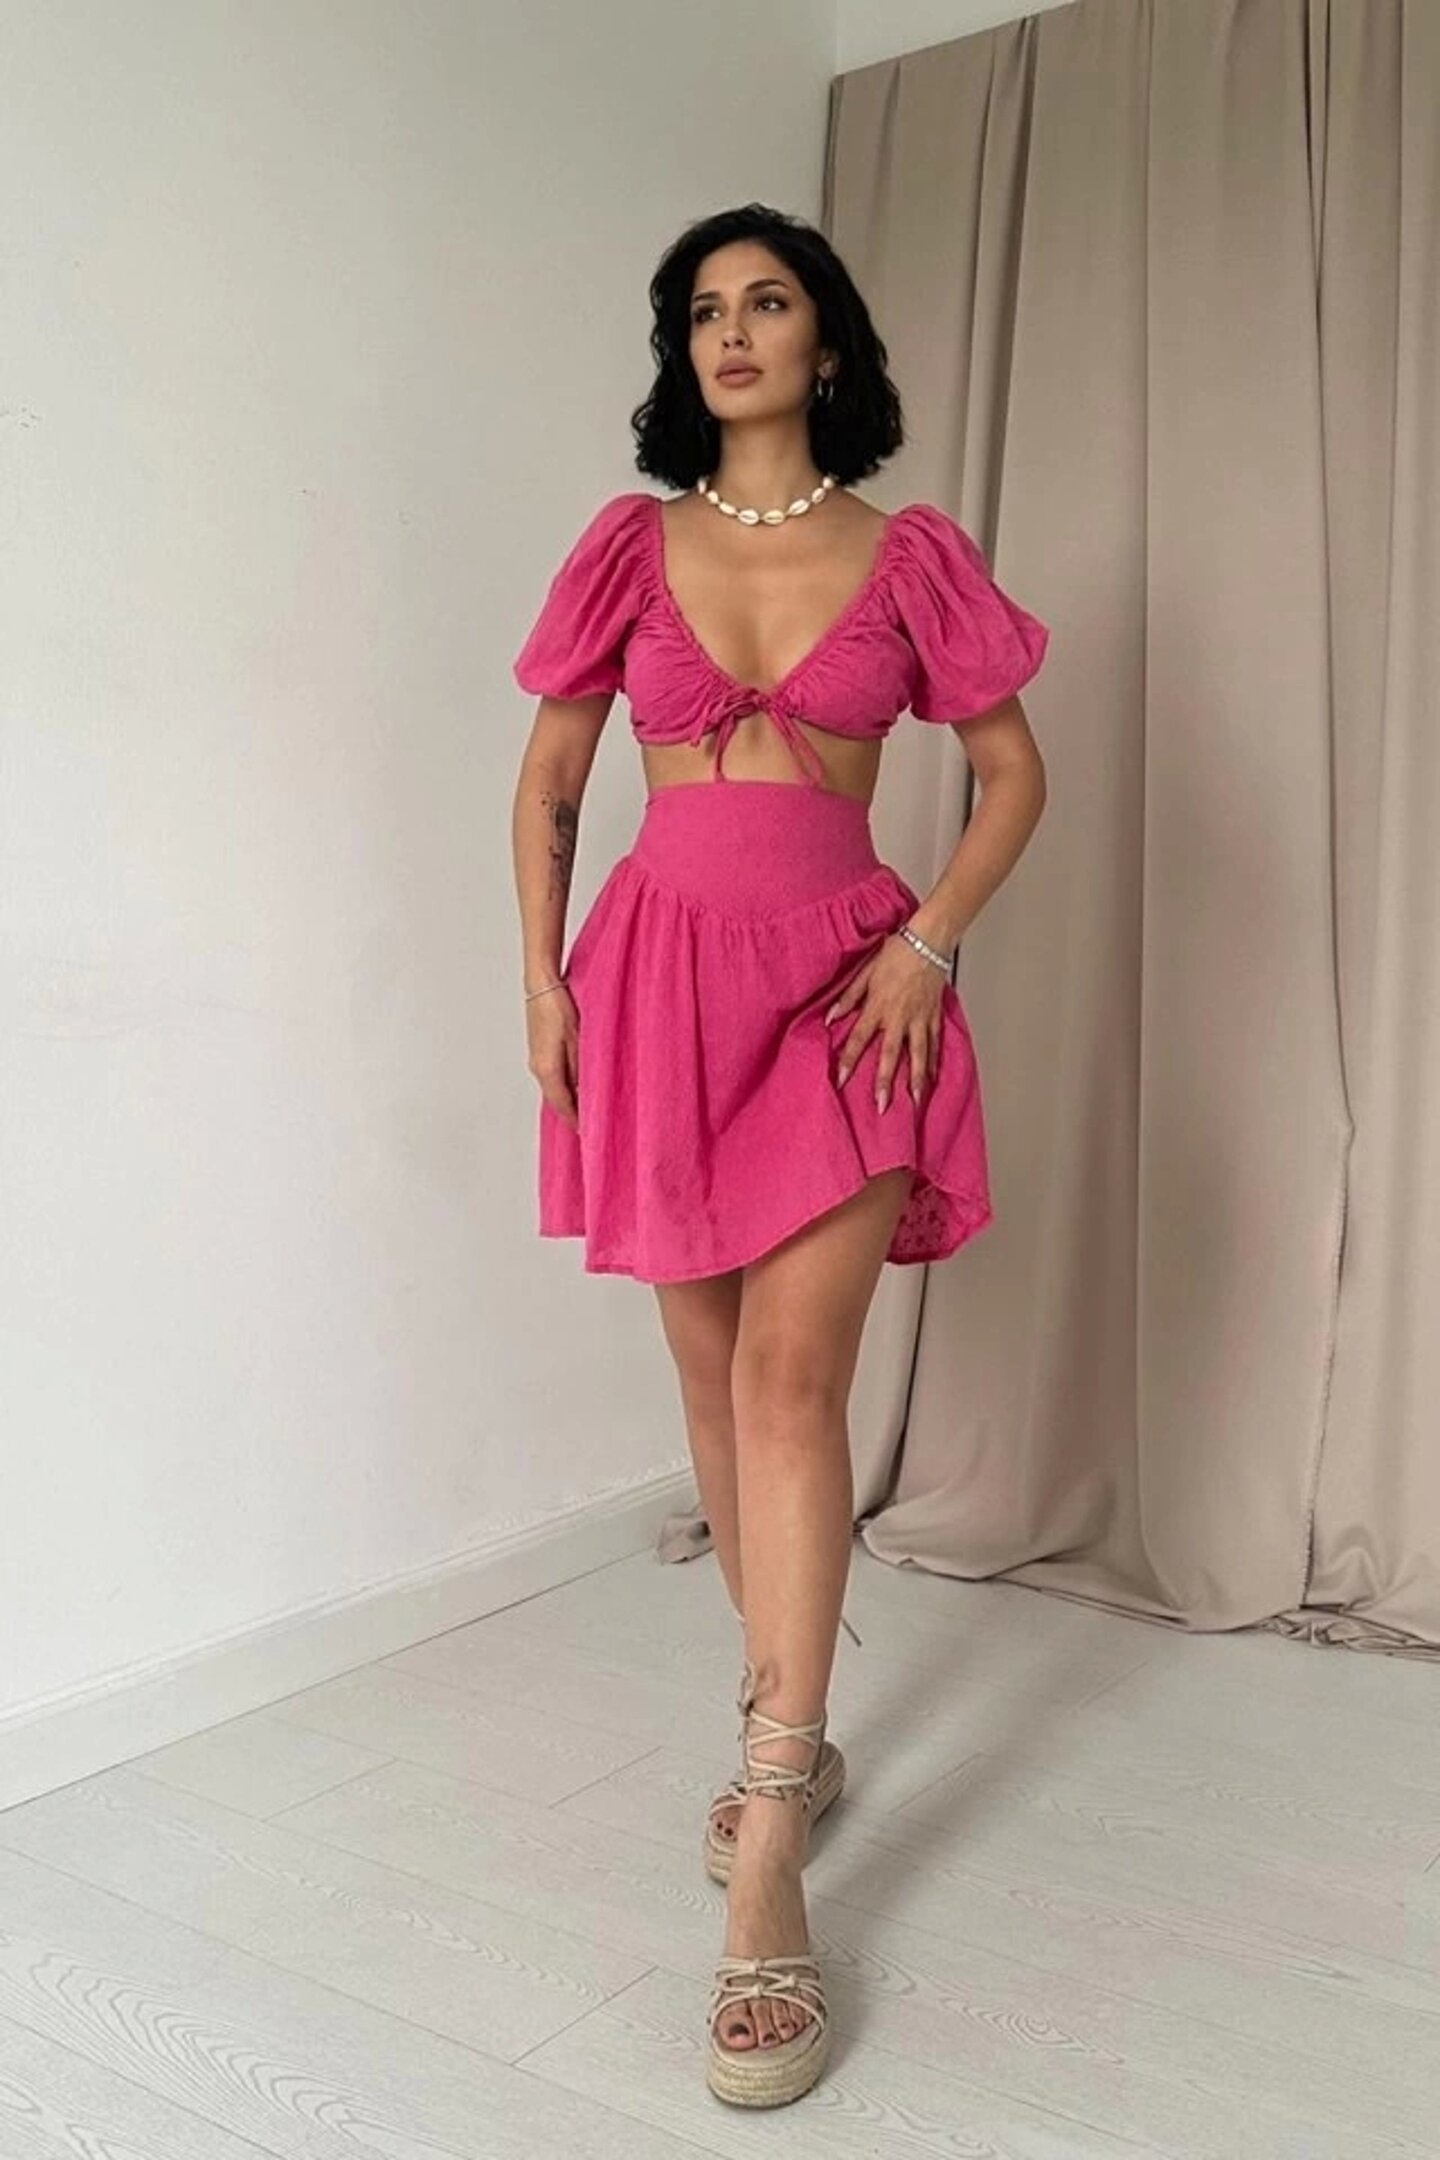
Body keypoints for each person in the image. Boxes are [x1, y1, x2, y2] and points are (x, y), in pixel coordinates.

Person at [510, 201, 1050, 2108]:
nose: (731, 332)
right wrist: (542, 989)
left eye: (768, 302)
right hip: (653, 986)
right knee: (711, 1382)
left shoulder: (909, 556)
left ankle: (764, 1852)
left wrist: (930, 944)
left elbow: (1012, 776)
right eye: (702, 311)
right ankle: (791, 1734)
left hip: (846, 993)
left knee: (795, 1381)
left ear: (828, 343)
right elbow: (554, 779)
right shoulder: (626, 543)